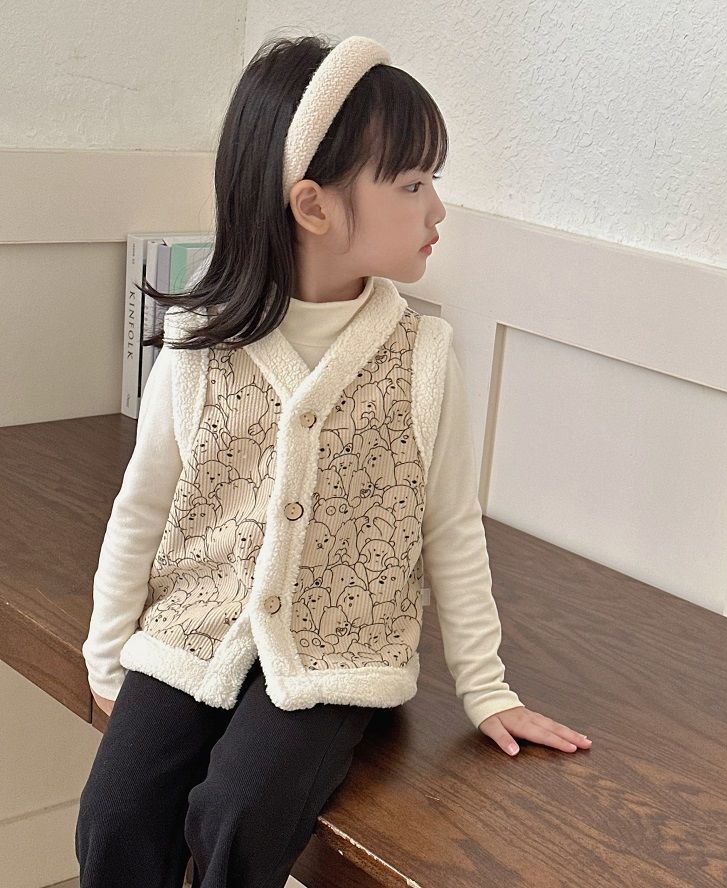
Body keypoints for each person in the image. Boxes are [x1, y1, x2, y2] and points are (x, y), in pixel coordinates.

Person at [76, 33, 592, 888]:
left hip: (338, 653)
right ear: (313, 206)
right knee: (114, 813)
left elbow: (451, 529)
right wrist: (107, 658)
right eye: (413, 184)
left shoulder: (424, 359)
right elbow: (142, 510)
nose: (437, 210)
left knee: (239, 810)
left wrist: (487, 690)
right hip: (191, 632)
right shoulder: (197, 349)